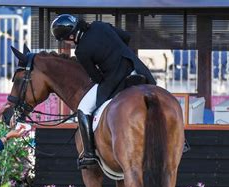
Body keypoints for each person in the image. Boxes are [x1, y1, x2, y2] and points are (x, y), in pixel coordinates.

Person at [50, 14, 157, 169]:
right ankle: (182, 141)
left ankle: (89, 154)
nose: (68, 43)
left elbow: (96, 77)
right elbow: (126, 36)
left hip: (116, 79)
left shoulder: (81, 52)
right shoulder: (99, 25)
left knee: (83, 109)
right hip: (137, 69)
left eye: (66, 40)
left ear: (72, 36)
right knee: (159, 98)